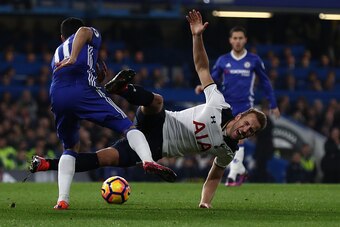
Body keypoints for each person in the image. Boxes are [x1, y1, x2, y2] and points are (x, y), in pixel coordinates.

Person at [30, 10, 267, 209]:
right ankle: (122, 89)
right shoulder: (219, 104)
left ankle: (45, 164)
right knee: (156, 101)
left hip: (156, 148)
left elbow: (214, 176)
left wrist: (205, 203)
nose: (247, 130)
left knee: (104, 158)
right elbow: (202, 68)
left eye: (251, 131)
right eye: (248, 124)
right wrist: (196, 37)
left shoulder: (229, 150)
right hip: (164, 121)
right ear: (240, 116)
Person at [49, 17, 176, 210]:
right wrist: (75, 57)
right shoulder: (89, 34)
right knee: (128, 127)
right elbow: (83, 31)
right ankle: (148, 160)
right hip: (82, 90)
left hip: (57, 95)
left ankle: (62, 200)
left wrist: (94, 71)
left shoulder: (57, 53)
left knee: (70, 147)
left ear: (61, 37)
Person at [195, 26, 280, 186]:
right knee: (226, 138)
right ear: (230, 40)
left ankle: (233, 173)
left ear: (245, 40)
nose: (238, 41)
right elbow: (214, 78)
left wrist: (273, 103)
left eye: (240, 38)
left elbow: (265, 82)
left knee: (239, 137)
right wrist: (202, 86)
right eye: (235, 38)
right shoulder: (223, 60)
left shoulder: (253, 60)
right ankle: (239, 169)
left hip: (245, 105)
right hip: (226, 105)